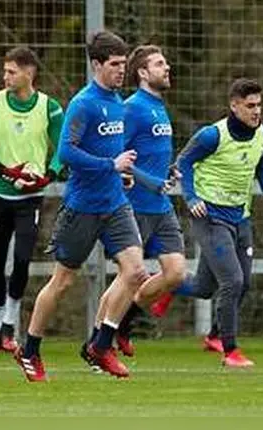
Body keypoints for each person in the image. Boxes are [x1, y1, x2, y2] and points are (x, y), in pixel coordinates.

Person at [13, 30, 151, 382]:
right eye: (116, 65)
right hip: (82, 206)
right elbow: (67, 153)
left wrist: (122, 174)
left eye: (124, 64)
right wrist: (110, 166)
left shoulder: (120, 102)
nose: (123, 71)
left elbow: (112, 151)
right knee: (62, 282)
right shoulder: (83, 103)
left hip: (115, 203)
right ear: (96, 65)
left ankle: (100, 345)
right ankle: (29, 349)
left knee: (135, 271)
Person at [171, 78, 263, 368]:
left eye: (259, 105)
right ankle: (230, 351)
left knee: (210, 286)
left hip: (240, 217)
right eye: (250, 106)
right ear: (234, 105)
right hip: (209, 216)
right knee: (233, 281)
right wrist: (190, 197)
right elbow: (183, 163)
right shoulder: (211, 135)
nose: (256, 111)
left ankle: (170, 287)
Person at [0, 46, 64, 354]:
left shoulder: (49, 107)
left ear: (29, 73)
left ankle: (11, 325)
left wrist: (48, 175)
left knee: (23, 259)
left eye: (11, 71)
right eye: (5, 71)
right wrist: (3, 170)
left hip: (31, 197)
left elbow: (63, 146)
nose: (5, 77)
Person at [103, 45, 184, 358]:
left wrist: (169, 171)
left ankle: (123, 324)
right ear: (142, 73)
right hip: (134, 206)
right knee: (129, 276)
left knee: (176, 272)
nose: (167, 68)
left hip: (160, 207)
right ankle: (99, 343)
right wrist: (150, 180)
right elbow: (117, 156)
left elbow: (150, 156)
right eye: (160, 63)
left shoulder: (159, 106)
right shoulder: (132, 108)